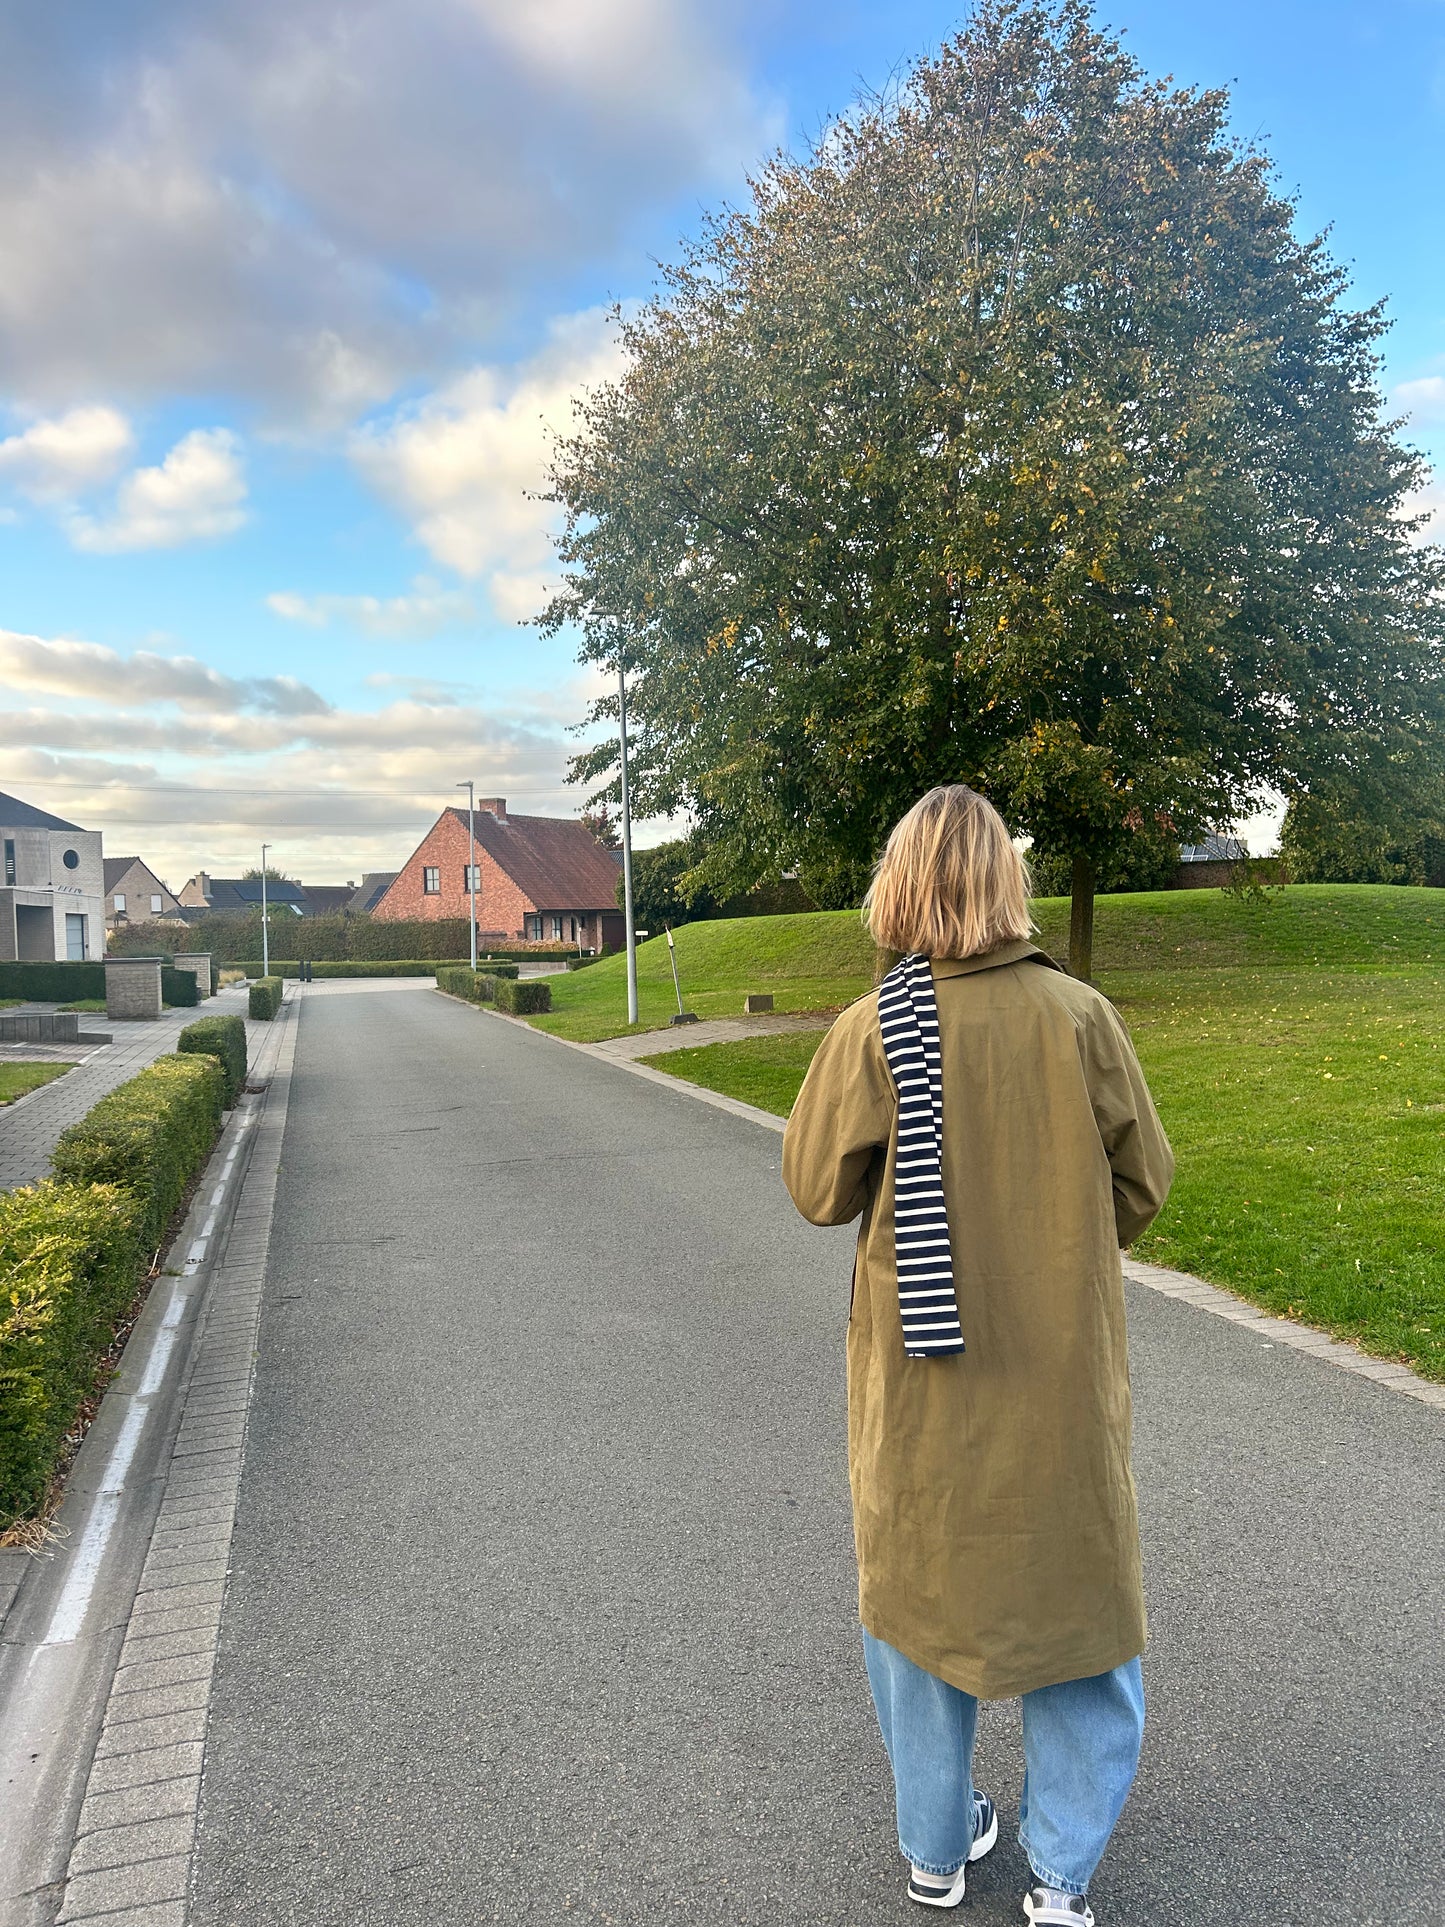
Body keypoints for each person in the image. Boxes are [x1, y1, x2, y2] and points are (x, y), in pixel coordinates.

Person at [782, 786, 1173, 1926]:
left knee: (917, 1601)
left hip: (919, 1382)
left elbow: (815, 1190)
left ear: (897, 887)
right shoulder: (1078, 1017)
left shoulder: (873, 1026)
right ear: (1008, 884)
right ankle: (1059, 1875)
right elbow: (1140, 1185)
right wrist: (1055, 1243)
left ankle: (936, 1846)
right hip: (1053, 1375)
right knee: (1078, 1609)